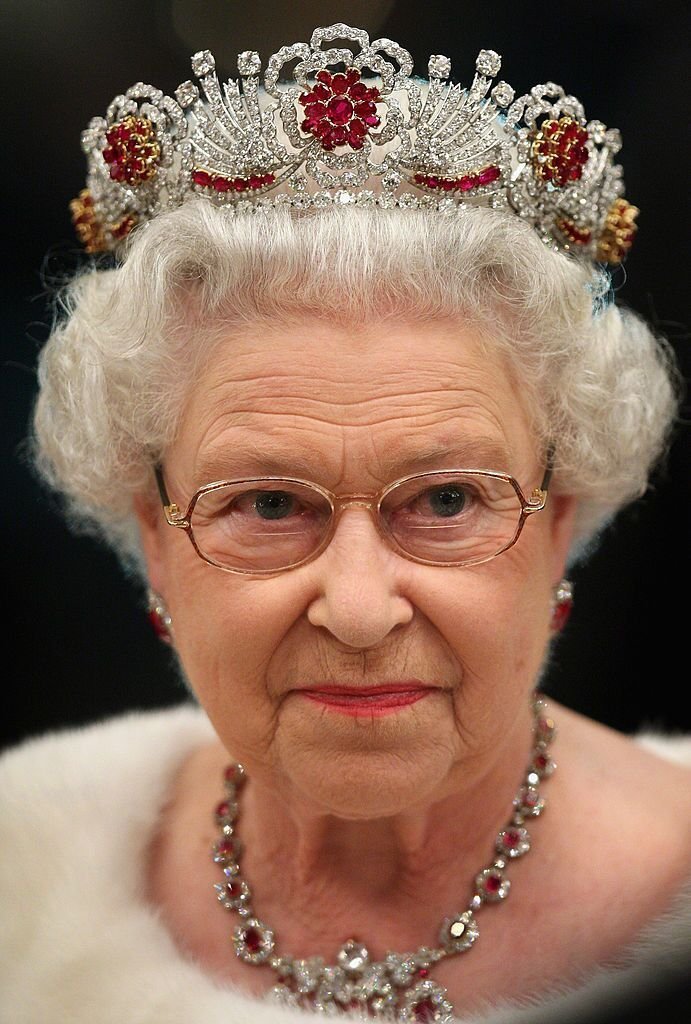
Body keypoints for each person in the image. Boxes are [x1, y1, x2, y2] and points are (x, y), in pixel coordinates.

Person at [1, 22, 688, 1024]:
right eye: (268, 505)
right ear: (153, 534)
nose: (360, 610)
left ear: (559, 521)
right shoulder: (24, 863)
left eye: (446, 500)